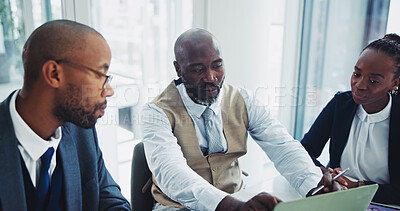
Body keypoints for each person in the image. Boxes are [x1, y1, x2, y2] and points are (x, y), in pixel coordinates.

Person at [141, 28, 341, 211]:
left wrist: (315, 187)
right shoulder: (156, 112)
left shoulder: (243, 99)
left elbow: (283, 147)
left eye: (217, 66)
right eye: (198, 69)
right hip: (179, 206)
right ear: (178, 69)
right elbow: (171, 173)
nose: (211, 77)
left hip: (238, 197)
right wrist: (231, 207)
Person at [0, 20, 131, 210]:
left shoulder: (81, 132)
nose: (109, 90)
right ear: (54, 74)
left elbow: (109, 199)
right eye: (100, 75)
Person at [301, 33, 400, 205]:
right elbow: (304, 151)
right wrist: (325, 173)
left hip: (383, 204)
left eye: (374, 81)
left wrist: (357, 187)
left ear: (394, 83)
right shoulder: (341, 104)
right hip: (339, 200)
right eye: (356, 74)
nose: (360, 85)